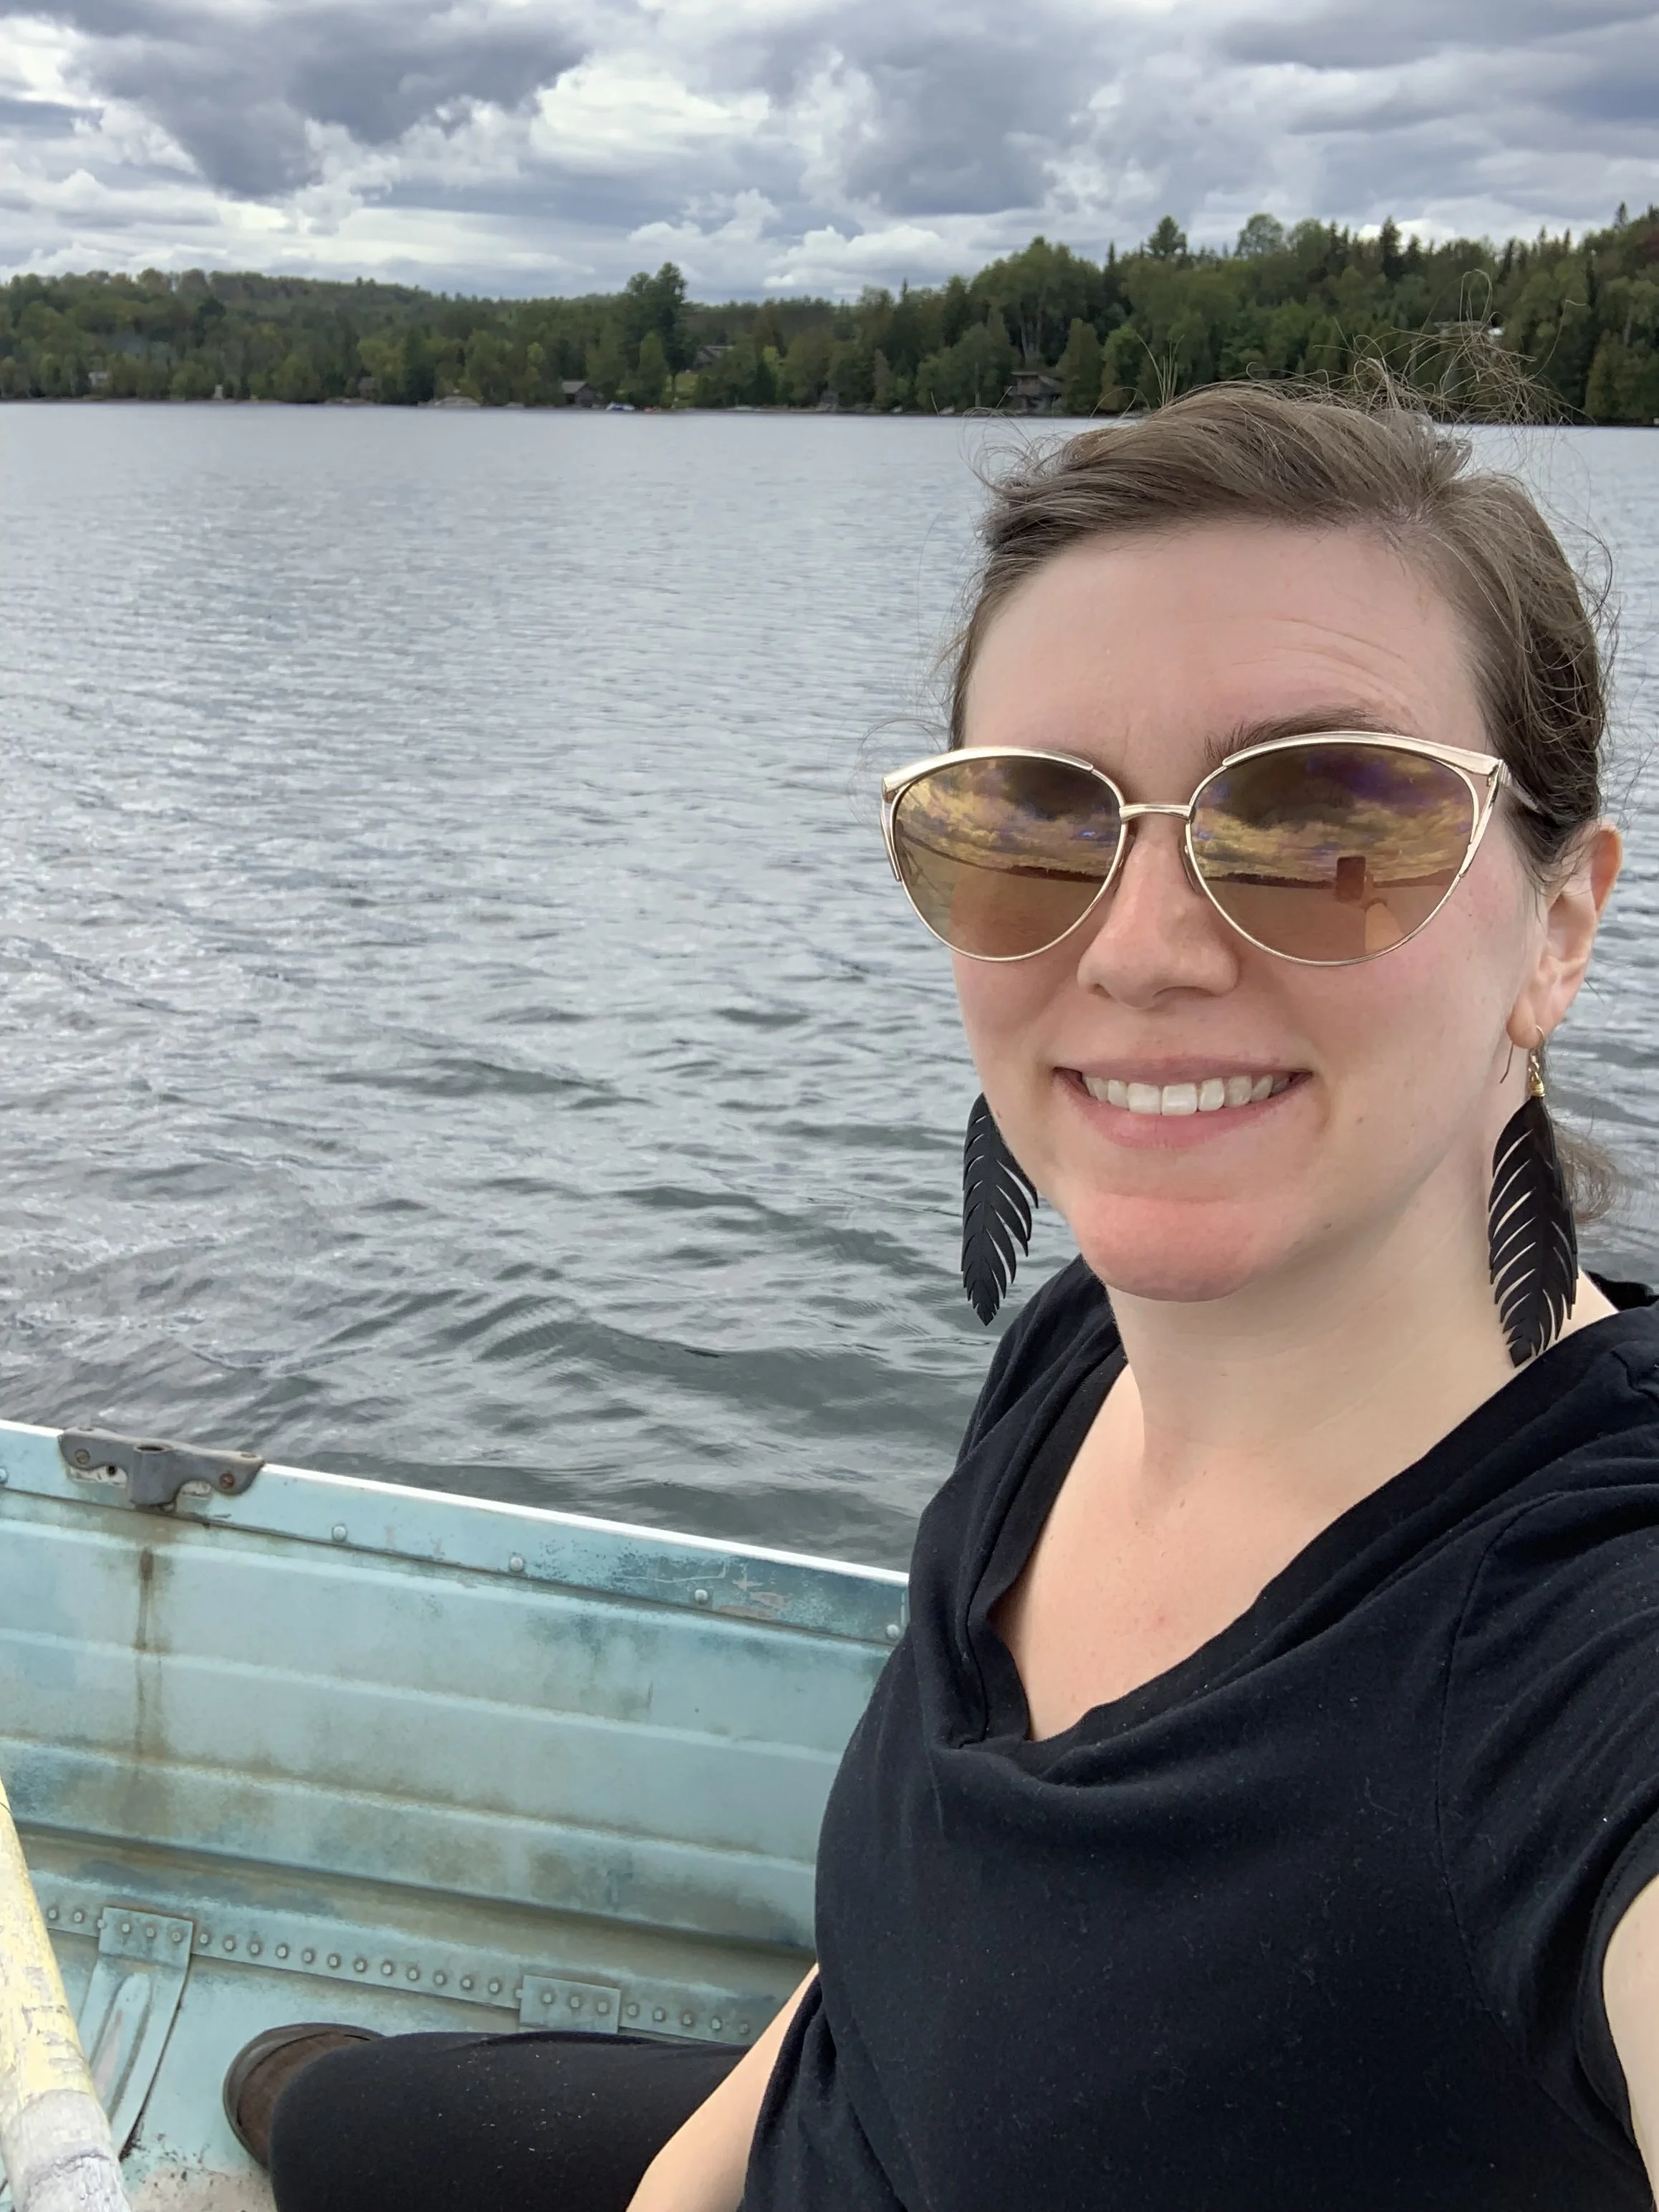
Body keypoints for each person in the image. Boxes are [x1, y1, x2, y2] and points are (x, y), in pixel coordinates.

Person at [258, 380, 1659, 2211]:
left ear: (1559, 920)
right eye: (1032, 826)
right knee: (331, 2117)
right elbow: (911, 1938)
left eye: (1330, 820)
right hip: (841, 2115)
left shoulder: (1583, 1654)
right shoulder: (1083, 1351)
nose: (1144, 947)